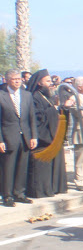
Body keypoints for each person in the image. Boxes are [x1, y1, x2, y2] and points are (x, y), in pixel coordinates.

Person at [26, 69, 71, 198]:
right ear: (39, 83)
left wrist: (61, 109)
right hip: (42, 136)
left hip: (52, 135)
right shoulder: (34, 97)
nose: (50, 83)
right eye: (47, 81)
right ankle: (42, 191)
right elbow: (37, 116)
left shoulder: (47, 96)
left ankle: (55, 187)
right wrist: (56, 109)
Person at [0, 69, 38, 206]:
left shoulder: (27, 95)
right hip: (9, 135)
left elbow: (32, 117)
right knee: (8, 167)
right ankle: (7, 195)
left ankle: (19, 193)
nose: (17, 81)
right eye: (14, 79)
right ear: (7, 80)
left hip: (25, 136)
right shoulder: (1, 95)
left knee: (22, 166)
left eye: (19, 79)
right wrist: (0, 140)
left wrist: (34, 136)